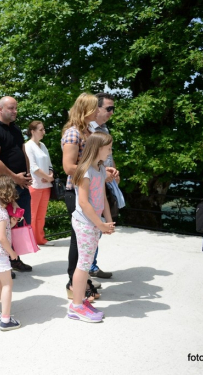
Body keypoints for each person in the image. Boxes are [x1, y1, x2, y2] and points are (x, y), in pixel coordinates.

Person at [61, 93, 118, 301]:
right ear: (85, 110)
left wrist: (104, 170)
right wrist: (96, 172)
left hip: (91, 190)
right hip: (76, 192)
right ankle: (73, 283)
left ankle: (82, 281)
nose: (99, 111)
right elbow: (68, 167)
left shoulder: (89, 131)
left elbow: (94, 163)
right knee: (78, 241)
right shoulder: (73, 134)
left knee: (87, 242)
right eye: (95, 108)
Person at [68, 132, 115, 322]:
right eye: (108, 148)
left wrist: (108, 221)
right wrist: (100, 224)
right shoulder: (85, 170)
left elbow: (102, 196)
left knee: (86, 265)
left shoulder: (100, 168)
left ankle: (80, 301)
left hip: (95, 222)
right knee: (83, 265)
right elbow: (84, 203)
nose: (110, 152)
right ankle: (76, 307)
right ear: (98, 148)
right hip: (86, 222)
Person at [0, 96, 33, 273]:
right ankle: (4, 263)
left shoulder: (15, 129)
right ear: (0, 109)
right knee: (6, 224)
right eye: (11, 108)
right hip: (7, 185)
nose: (15, 111)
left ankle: (14, 258)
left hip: (21, 183)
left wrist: (28, 173)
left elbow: (23, 152)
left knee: (20, 222)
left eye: (16, 108)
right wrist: (15, 178)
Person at [87, 92, 118, 279]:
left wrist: (113, 171)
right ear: (96, 108)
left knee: (97, 231)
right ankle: (86, 272)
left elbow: (108, 156)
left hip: (103, 182)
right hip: (90, 184)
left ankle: (92, 266)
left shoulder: (104, 130)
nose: (111, 112)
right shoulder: (87, 130)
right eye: (108, 108)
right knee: (89, 231)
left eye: (113, 109)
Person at [0, 175, 22, 331]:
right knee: (8, 284)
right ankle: (5, 320)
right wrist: (12, 253)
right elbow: (2, 238)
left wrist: (11, 224)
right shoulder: (1, 213)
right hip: (0, 253)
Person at [25, 120, 54, 245]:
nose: (44, 132)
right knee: (32, 214)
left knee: (41, 215)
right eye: (41, 129)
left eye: (43, 129)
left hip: (46, 185)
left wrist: (50, 176)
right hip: (35, 185)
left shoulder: (43, 145)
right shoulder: (28, 145)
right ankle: (31, 241)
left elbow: (50, 164)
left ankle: (40, 239)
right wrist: (47, 176)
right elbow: (33, 167)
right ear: (33, 131)